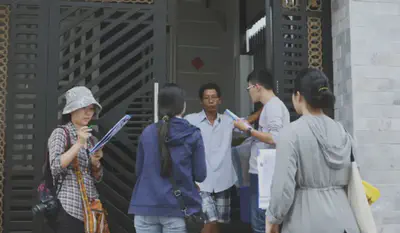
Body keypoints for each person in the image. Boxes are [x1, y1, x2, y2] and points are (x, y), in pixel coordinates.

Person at [265, 68, 360, 233]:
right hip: (345, 221)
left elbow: (283, 188)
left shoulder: (291, 133)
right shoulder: (342, 132)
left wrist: (273, 219)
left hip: (305, 220)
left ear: (298, 96)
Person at [128, 83, 207, 233]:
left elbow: (138, 171)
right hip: (176, 208)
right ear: (182, 105)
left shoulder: (147, 132)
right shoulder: (192, 134)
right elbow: (200, 175)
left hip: (145, 207)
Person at [234, 69, 290, 233]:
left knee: (260, 223)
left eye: (248, 88)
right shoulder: (270, 106)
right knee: (266, 222)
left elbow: (275, 138)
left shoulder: (273, 106)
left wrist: (248, 130)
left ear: (257, 87)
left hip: (265, 174)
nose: (249, 92)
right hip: (263, 172)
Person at [48, 86, 109, 233]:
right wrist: (79, 144)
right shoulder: (61, 133)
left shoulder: (92, 138)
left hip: (91, 206)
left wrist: (95, 163)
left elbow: (97, 178)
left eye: (91, 109)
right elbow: (55, 167)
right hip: (69, 205)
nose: (88, 113)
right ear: (71, 110)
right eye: (83, 108)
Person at [185, 83, 237, 233]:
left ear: (220, 100)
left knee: (217, 224)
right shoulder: (191, 120)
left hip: (223, 180)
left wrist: (263, 109)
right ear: (201, 101)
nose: (211, 101)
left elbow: (247, 123)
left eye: (214, 97)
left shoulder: (228, 121)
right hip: (201, 181)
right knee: (209, 221)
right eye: (207, 98)